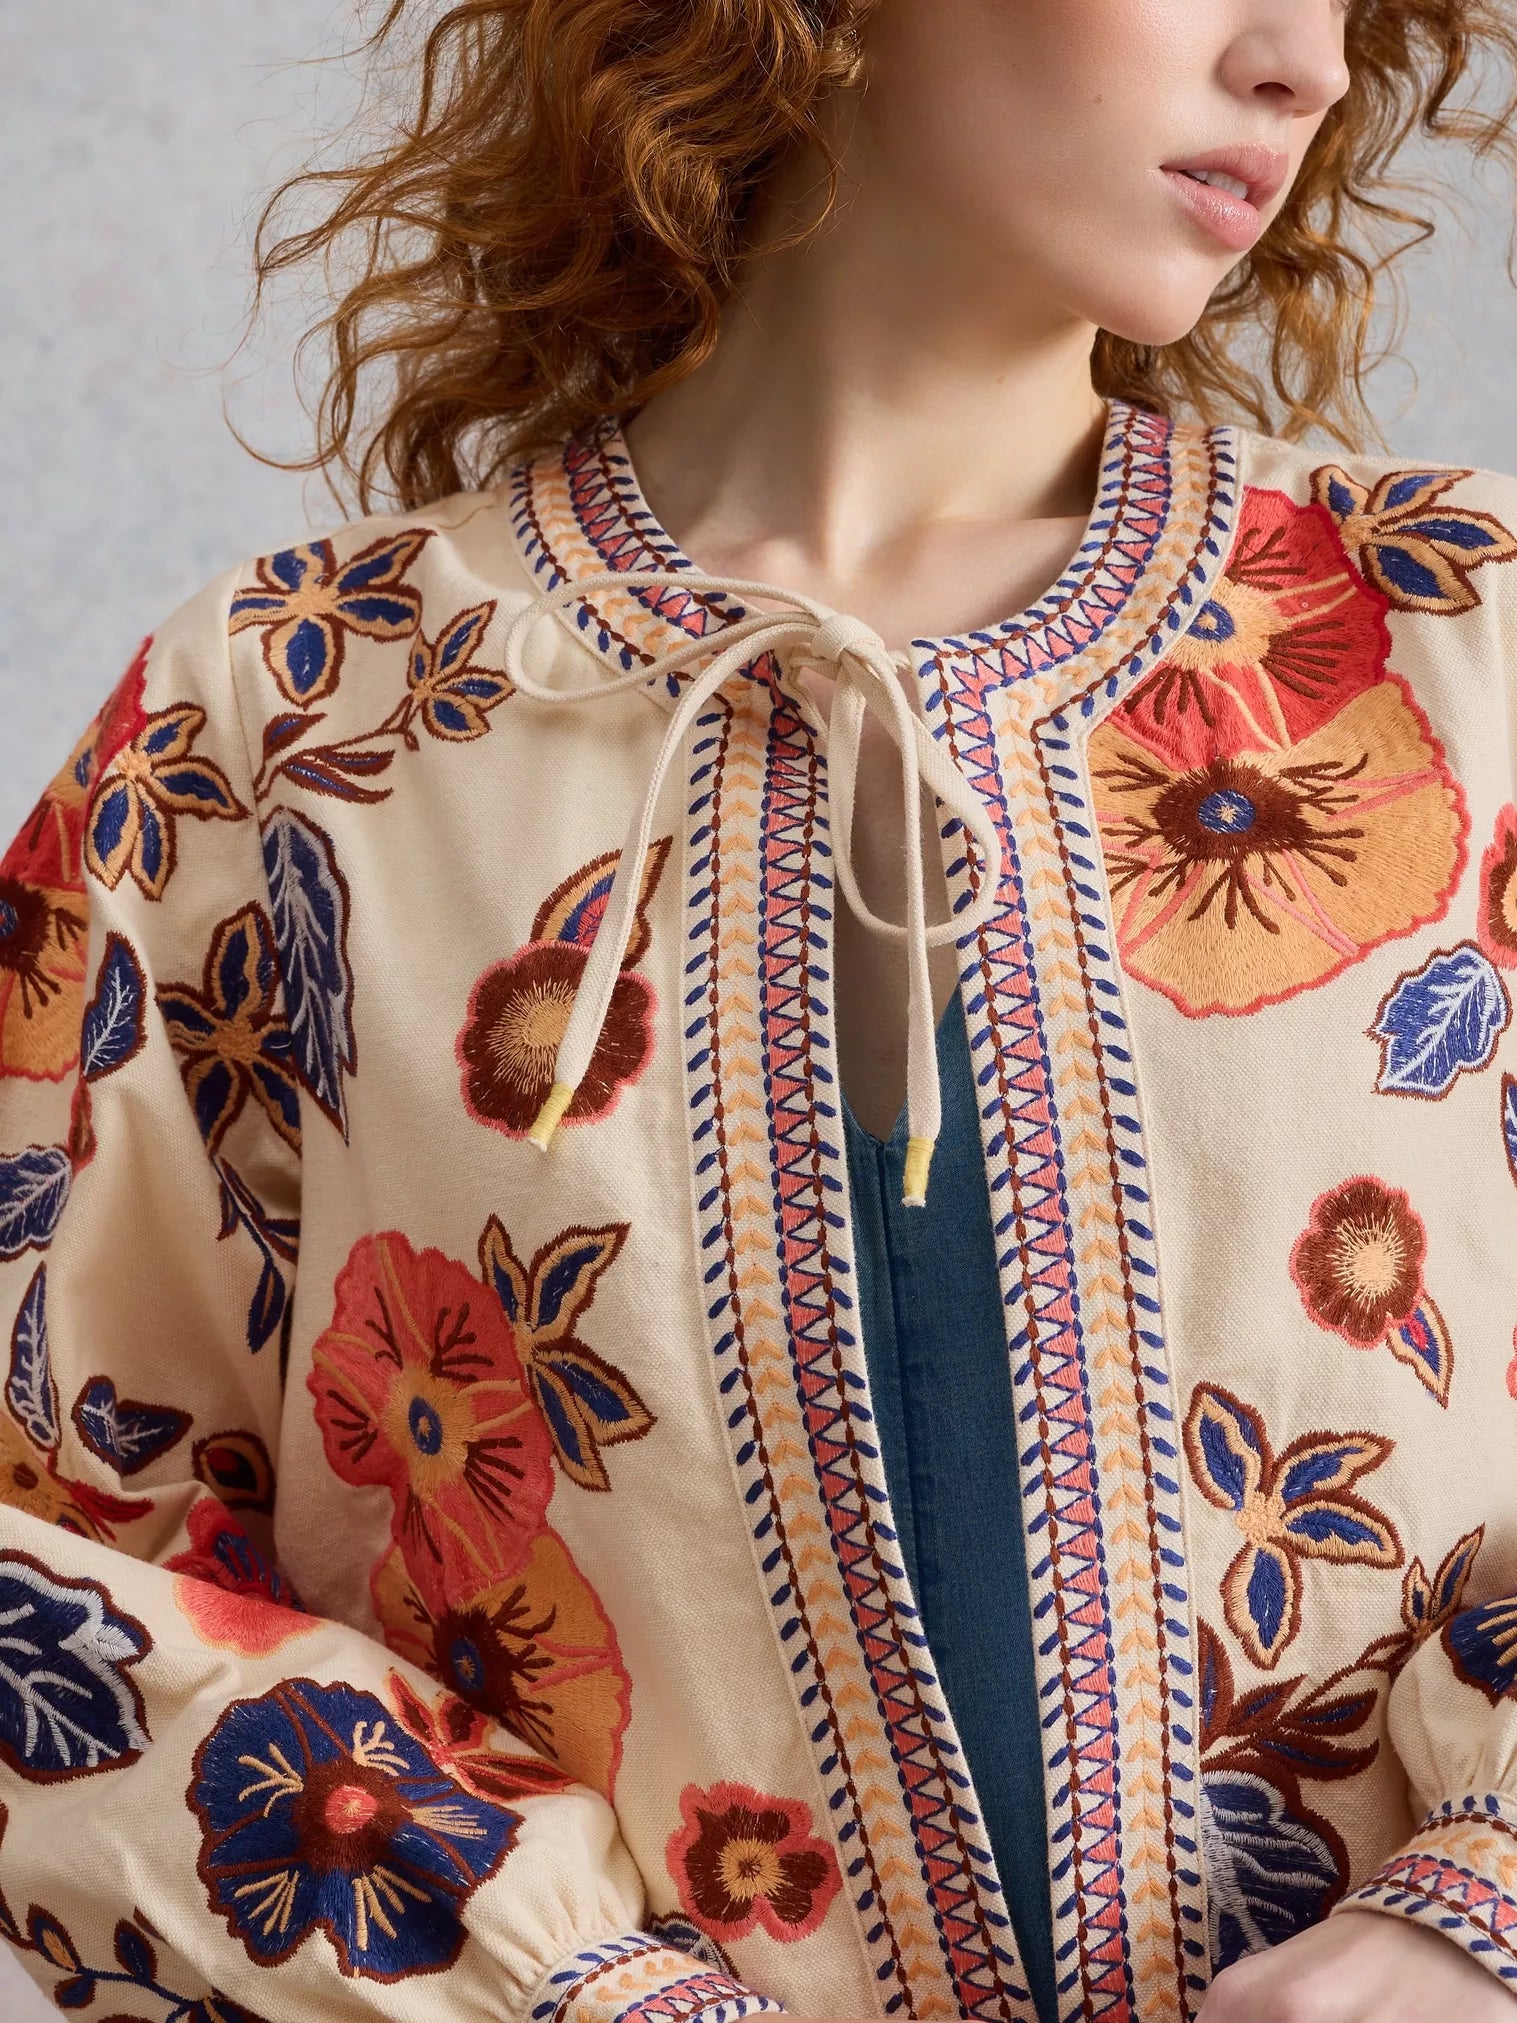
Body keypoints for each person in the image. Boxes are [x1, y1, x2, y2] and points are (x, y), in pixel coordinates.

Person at [4, 2, 1517, 2019]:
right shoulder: (302, 716)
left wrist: (1472, 1912)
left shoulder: (1458, 636)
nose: (1300, 63)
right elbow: (51, 1552)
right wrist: (574, 1996)